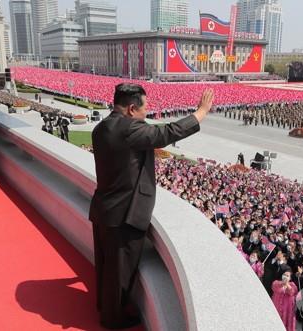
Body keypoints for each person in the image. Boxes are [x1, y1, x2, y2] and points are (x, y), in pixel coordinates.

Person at [89, 83, 214, 329]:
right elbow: (166, 133)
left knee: (106, 267)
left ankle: (105, 308)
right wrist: (200, 113)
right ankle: (111, 320)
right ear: (132, 108)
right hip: (124, 214)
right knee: (120, 274)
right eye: (145, 108)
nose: (148, 113)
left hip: (104, 208)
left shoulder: (101, 127)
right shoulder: (130, 130)